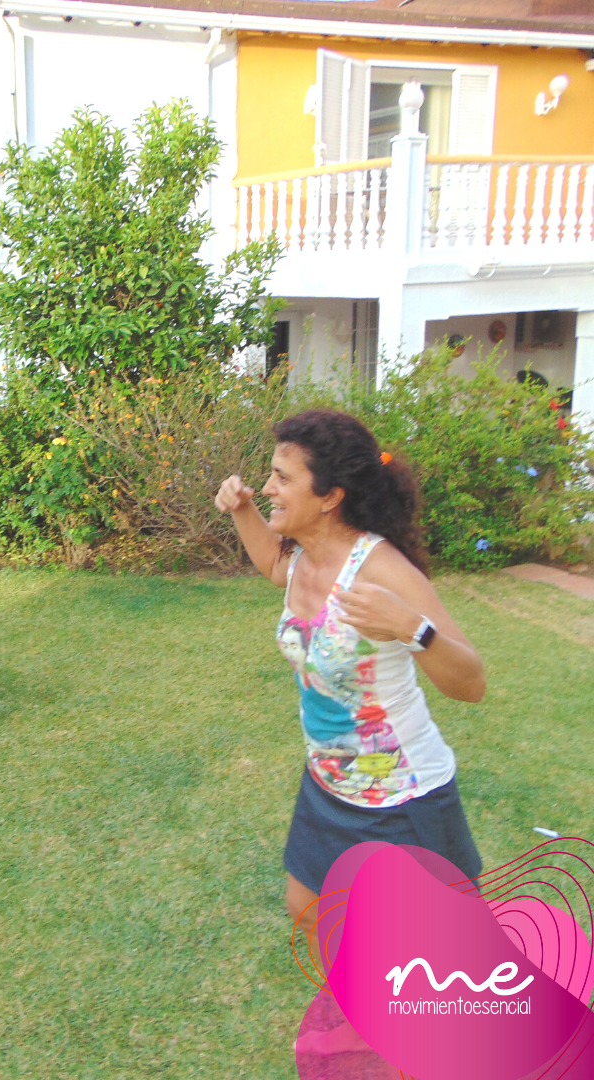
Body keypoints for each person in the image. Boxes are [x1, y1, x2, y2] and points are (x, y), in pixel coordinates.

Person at [215, 409, 484, 1057]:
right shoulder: (305, 558)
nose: (268, 486)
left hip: (402, 795)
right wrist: (244, 511)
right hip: (329, 782)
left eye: (282, 478)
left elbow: (471, 682)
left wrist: (412, 629)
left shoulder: (382, 572)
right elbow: (273, 567)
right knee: (307, 907)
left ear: (330, 496)